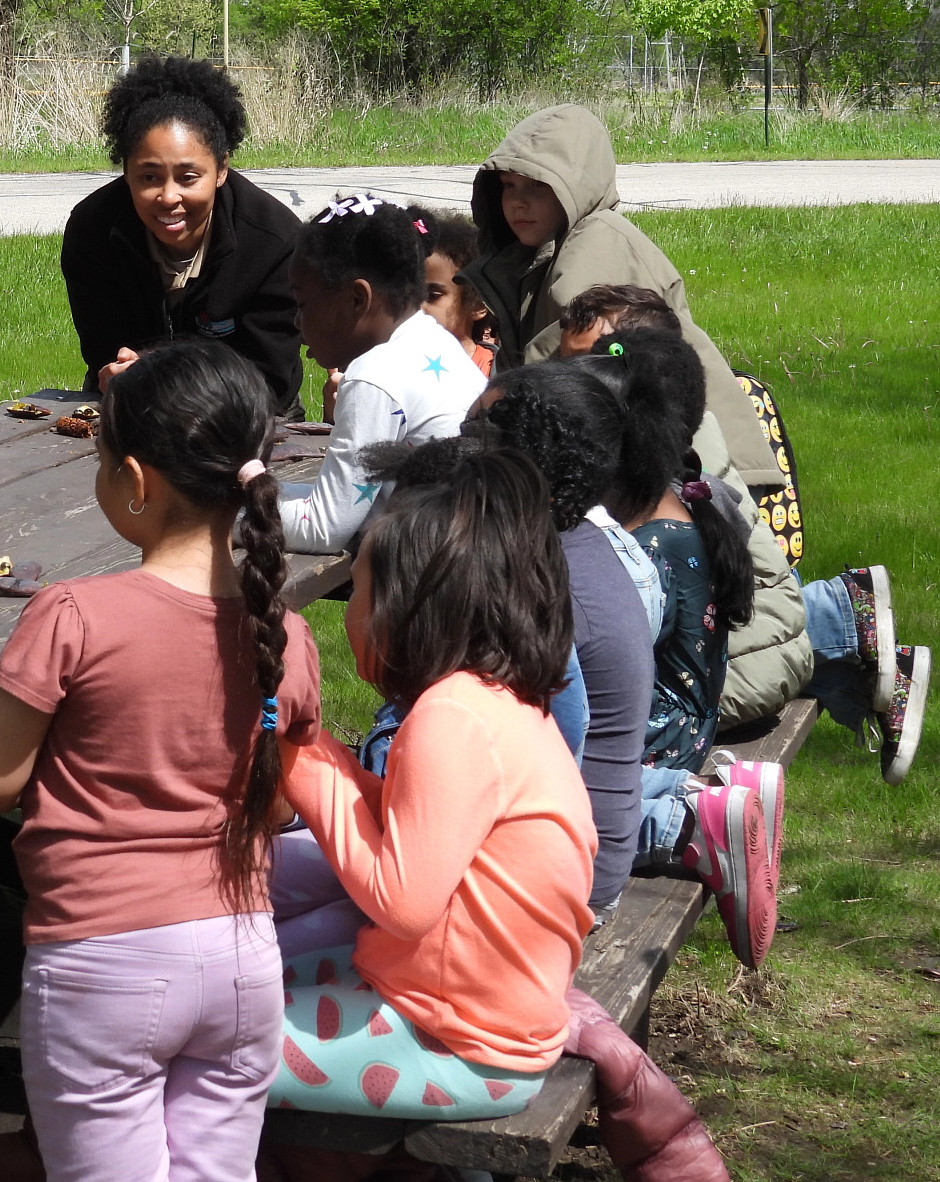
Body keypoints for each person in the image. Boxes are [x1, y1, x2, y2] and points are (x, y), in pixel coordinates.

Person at [0, 338, 320, 1182]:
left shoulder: (74, 612)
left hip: (101, 967)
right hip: (240, 960)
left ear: (137, 481)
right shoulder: (287, 636)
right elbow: (281, 804)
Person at [268, 443, 596, 1121]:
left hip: (456, 1042)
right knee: (236, 996)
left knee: (208, 1047)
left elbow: (400, 899)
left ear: (405, 606)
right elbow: (400, 828)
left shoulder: (450, 717)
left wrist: (298, 762)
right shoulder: (486, 701)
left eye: (355, 588)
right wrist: (311, 750)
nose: (349, 606)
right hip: (463, 1013)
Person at [559, 284, 932, 783]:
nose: (572, 379)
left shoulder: (654, 473)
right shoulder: (669, 444)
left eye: (593, 362)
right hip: (752, 640)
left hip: (748, 654)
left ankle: (839, 617)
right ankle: (844, 623)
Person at [580, 330, 781, 968]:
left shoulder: (648, 546)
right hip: (679, 733)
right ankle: (711, 789)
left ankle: (694, 814)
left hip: (648, 744)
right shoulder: (677, 505)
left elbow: (607, 679)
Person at [459, 104, 782, 490]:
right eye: (508, 186)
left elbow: (559, 374)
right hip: (658, 456)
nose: (517, 202)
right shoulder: (536, 257)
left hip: (699, 471)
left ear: (578, 186)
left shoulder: (597, 244)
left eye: (537, 186)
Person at [463, 365, 658, 920]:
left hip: (565, 875)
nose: (459, 442)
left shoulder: (542, 587)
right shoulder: (570, 542)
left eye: (475, 432)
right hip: (571, 844)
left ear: (527, 457)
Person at [60, 57, 304, 414]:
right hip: (131, 404)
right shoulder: (92, 230)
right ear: (126, 171)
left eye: (188, 177)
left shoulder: (274, 241)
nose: (169, 197)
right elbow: (103, 353)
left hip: (251, 413)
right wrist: (121, 373)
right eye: (149, 177)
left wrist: (168, 376)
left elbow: (271, 380)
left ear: (221, 169)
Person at [280, 195, 487, 555]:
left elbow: (324, 530)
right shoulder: (431, 338)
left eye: (302, 304)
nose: (297, 323)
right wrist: (259, 491)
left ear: (358, 300)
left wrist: (216, 514)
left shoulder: (375, 376)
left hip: (447, 580)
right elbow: (349, 502)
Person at [408, 206, 494, 374]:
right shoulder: (392, 366)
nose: (416, 308)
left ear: (477, 304)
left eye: (432, 296)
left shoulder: (492, 372)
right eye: (409, 295)